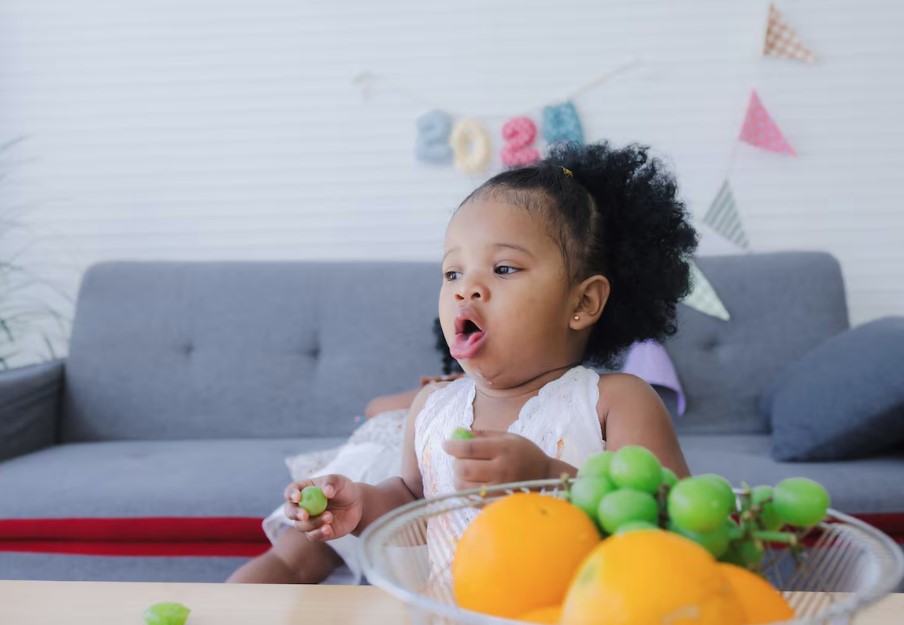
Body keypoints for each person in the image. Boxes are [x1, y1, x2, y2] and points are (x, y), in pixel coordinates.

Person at [285, 141, 699, 557]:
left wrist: (548, 477)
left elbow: (674, 525)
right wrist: (363, 507)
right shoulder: (431, 409)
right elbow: (416, 508)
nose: (466, 288)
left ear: (582, 303)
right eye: (452, 272)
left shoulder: (616, 402)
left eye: (504, 268)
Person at [227, 321, 461, 584]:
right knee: (293, 560)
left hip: (384, 467)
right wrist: (440, 386)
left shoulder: (461, 406)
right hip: (366, 462)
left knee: (291, 561)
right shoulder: (438, 393)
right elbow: (374, 408)